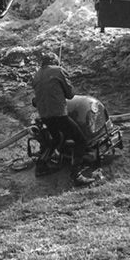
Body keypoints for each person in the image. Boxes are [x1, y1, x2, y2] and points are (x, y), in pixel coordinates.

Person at [30, 51, 95, 187]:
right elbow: (70, 95)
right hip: (59, 114)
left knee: (56, 138)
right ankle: (76, 175)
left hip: (45, 116)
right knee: (81, 141)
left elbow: (36, 100)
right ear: (54, 61)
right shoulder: (58, 71)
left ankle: (41, 166)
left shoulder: (36, 76)